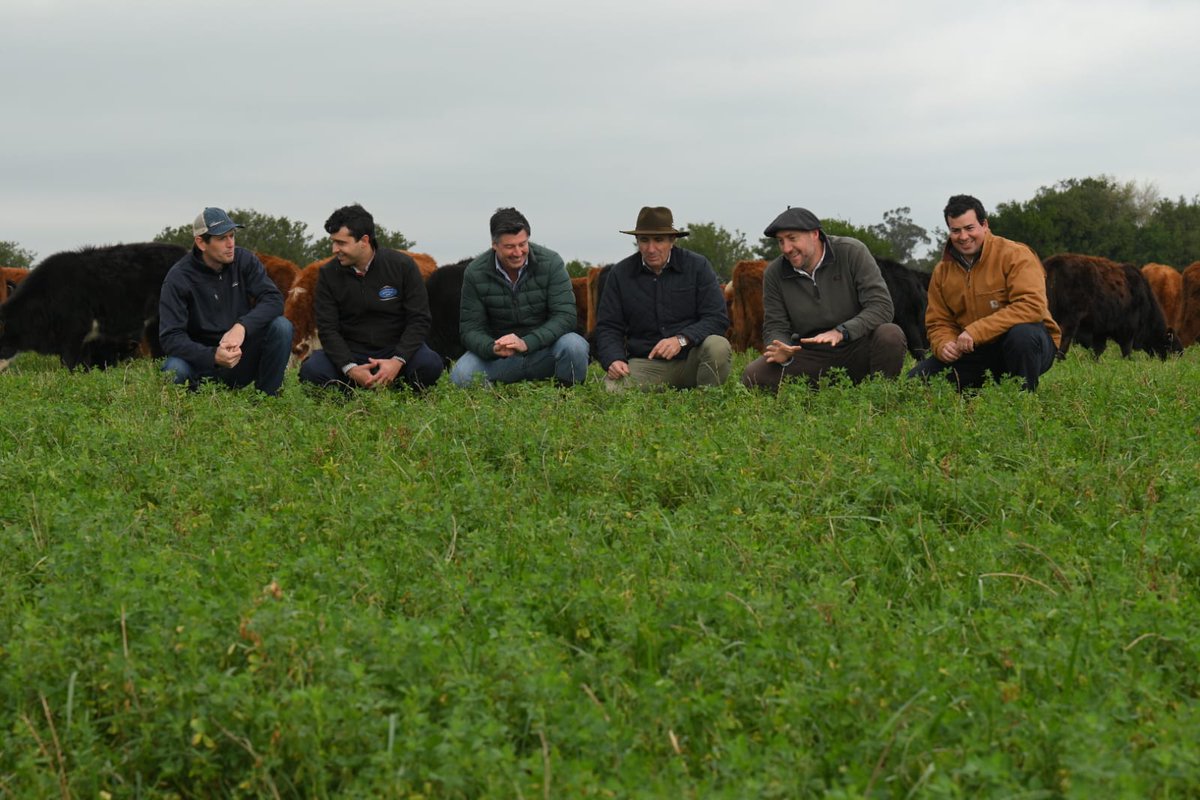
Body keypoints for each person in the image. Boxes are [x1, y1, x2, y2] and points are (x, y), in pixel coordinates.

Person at [741, 207, 906, 391]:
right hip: (811, 353)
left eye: (792, 238)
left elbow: (882, 306)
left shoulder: (851, 252)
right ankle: (818, 390)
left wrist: (841, 332)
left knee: (890, 334)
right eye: (781, 241)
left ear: (815, 234)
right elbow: (775, 325)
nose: (786, 248)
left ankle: (881, 394)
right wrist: (781, 347)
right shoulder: (774, 273)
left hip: (856, 344)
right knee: (753, 375)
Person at [908, 195, 1060, 392]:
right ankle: (975, 391)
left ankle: (1023, 399)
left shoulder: (1016, 255)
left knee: (1022, 335)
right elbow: (938, 322)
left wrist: (976, 331)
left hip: (1027, 344)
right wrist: (944, 343)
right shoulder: (942, 271)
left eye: (969, 228)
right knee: (914, 382)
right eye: (956, 230)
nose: (963, 237)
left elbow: (1032, 306)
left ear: (984, 225)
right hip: (974, 350)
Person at [298, 204, 443, 392]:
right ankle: (354, 388)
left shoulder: (402, 266)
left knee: (430, 364)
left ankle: (396, 387)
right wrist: (351, 368)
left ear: (364, 241)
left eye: (341, 243)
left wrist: (397, 360)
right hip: (351, 353)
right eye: (333, 242)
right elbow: (328, 329)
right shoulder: (328, 274)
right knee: (312, 370)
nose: (334, 249)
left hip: (395, 350)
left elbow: (419, 319)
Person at [594, 206, 731, 391]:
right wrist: (614, 358)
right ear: (637, 240)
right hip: (646, 364)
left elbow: (717, 318)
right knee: (612, 388)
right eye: (644, 240)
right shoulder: (620, 274)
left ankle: (706, 398)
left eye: (658, 240)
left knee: (718, 346)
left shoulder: (698, 266)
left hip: (692, 359)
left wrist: (682, 339)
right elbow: (608, 326)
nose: (651, 249)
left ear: (672, 240)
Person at [159, 207, 293, 396]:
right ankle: (190, 402)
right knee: (174, 369)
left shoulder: (244, 260)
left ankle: (267, 398)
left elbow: (273, 299)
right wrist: (213, 355)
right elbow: (170, 337)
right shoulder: (178, 278)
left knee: (282, 326)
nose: (230, 244)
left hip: (239, 358)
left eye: (232, 236)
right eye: (222, 238)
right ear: (201, 243)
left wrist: (242, 326)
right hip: (199, 364)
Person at [450, 207, 588, 387]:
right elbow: (470, 329)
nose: (518, 252)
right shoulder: (475, 272)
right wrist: (492, 347)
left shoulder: (551, 262)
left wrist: (527, 343)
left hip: (544, 350)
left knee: (574, 345)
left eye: (522, 244)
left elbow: (565, 316)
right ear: (494, 245)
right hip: (501, 356)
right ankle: (493, 401)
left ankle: (567, 397)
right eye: (509, 246)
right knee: (461, 374)